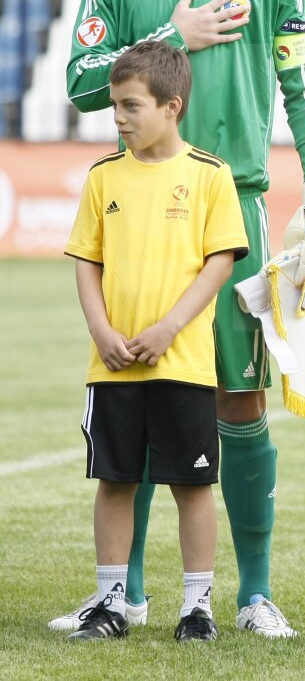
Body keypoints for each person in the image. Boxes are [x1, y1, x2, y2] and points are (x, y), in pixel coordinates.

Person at [59, 0, 305, 638]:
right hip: (139, 208)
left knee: (240, 399)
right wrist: (168, 35)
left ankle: (253, 593)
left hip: (236, 205)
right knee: (137, 383)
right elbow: (80, 80)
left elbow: (304, 82)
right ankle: (124, 594)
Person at [64, 41, 250, 643]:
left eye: (131, 106)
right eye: (115, 106)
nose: (118, 117)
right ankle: (110, 602)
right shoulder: (103, 177)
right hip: (113, 364)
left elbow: (220, 262)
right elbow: (87, 262)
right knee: (115, 481)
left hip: (183, 364)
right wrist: (101, 331)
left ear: (172, 106)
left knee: (192, 487)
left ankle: (197, 608)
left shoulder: (209, 175)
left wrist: (170, 327)